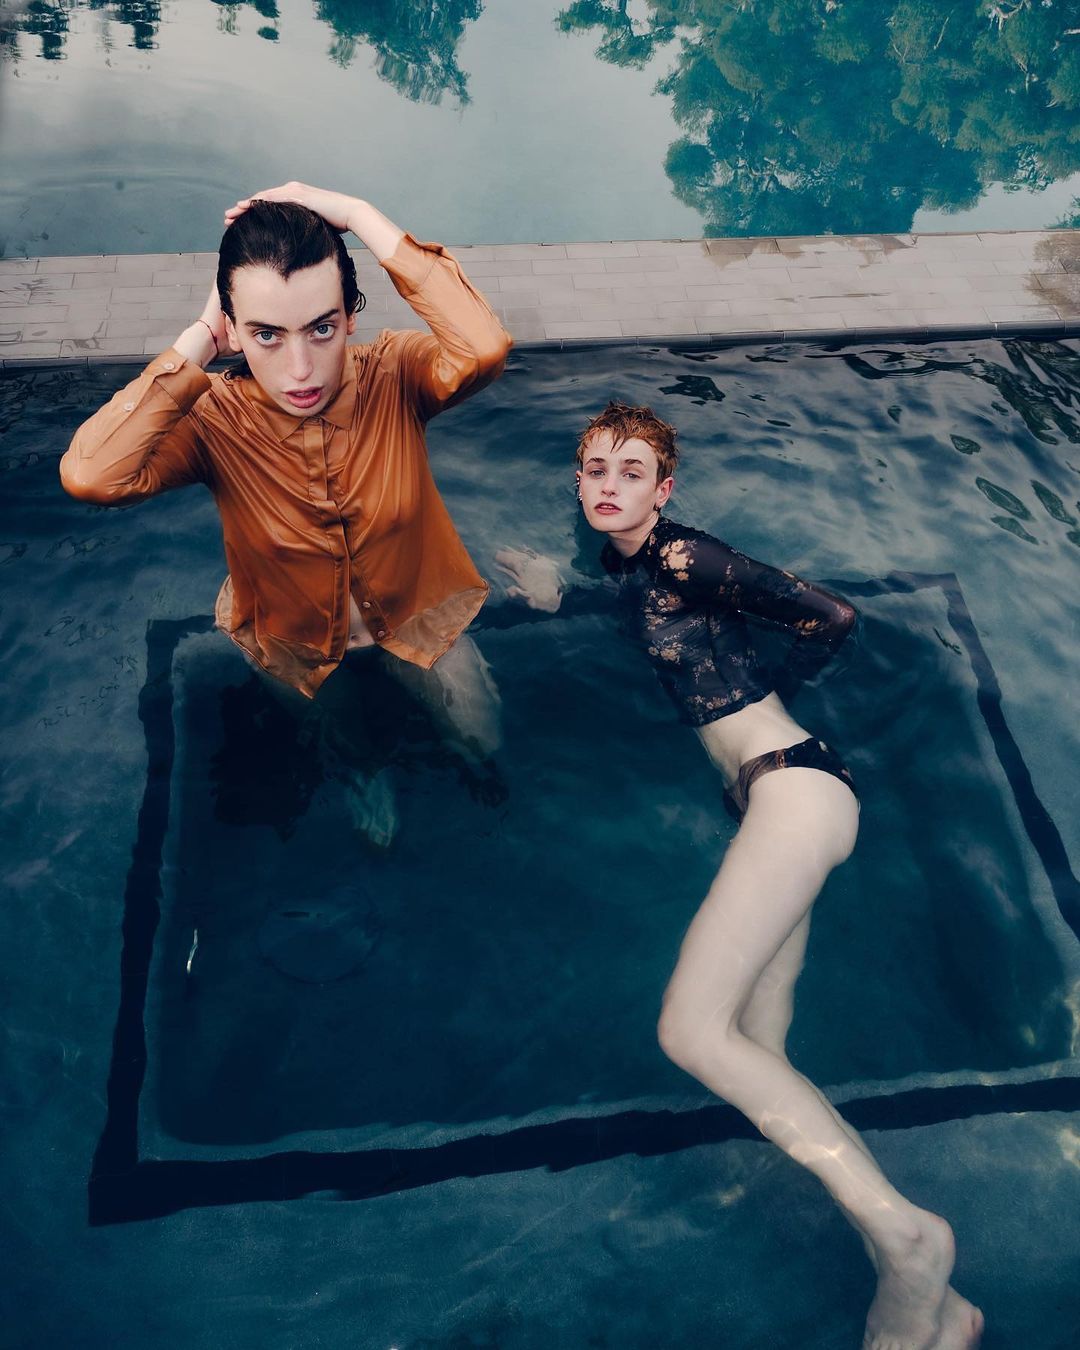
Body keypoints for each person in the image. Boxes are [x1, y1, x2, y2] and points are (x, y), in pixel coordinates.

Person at [496, 402, 983, 1350]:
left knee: (688, 1030)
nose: (608, 484)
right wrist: (561, 594)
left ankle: (911, 1242)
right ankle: (941, 1306)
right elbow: (659, 629)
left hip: (794, 788)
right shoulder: (631, 569)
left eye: (632, 470)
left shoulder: (681, 554)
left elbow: (831, 616)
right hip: (777, 796)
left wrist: (770, 702)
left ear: (664, 488)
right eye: (595, 468)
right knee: (759, 1045)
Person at [61, 183, 511, 823]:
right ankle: (365, 774)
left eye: (321, 328)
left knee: (483, 743)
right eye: (267, 334)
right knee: (352, 756)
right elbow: (91, 475)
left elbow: (485, 347)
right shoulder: (213, 421)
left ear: (350, 317)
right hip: (293, 650)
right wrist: (199, 339)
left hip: (421, 618)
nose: (300, 369)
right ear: (234, 331)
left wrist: (357, 214)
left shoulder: (394, 374)